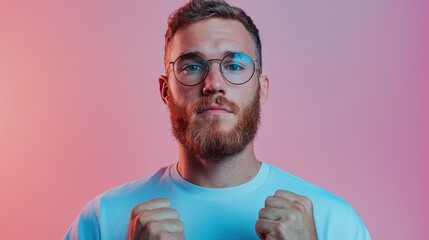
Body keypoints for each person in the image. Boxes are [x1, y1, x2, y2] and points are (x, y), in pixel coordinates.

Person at [65, 0, 371, 239]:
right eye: (192, 66)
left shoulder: (332, 221)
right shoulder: (103, 219)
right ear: (165, 90)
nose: (213, 83)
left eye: (235, 65)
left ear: (261, 88)